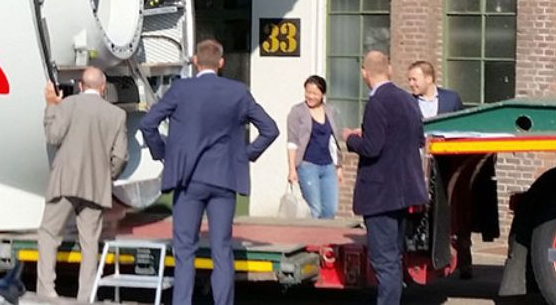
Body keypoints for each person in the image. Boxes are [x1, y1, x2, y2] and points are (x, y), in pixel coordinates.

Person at [140, 39, 279, 305]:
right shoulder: (238, 92)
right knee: (222, 250)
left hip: (188, 179)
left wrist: (163, 154)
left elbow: (148, 124)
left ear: (195, 61)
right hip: (224, 178)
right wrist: (245, 155)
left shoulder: (181, 90)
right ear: (221, 63)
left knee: (184, 250)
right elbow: (270, 129)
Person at [343, 51, 427, 305]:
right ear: (389, 70)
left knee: (385, 261)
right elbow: (417, 139)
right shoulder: (408, 100)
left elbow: (372, 148)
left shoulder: (377, 102)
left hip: (380, 194)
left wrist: (351, 138)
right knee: (395, 257)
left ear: (364, 73)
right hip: (405, 191)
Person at [37, 66, 129, 301]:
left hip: (65, 181)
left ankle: (47, 290)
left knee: (49, 233)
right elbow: (120, 156)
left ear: (80, 85)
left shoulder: (68, 105)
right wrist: (106, 176)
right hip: (95, 186)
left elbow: (53, 136)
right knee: (89, 242)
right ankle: (85, 296)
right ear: (103, 86)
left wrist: (51, 106)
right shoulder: (117, 115)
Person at [407, 60, 471, 278]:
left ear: (429, 78)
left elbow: (463, 130)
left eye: (414, 79)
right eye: (409, 80)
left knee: (455, 212)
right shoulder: (409, 102)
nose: (411, 84)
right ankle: (425, 256)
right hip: (419, 167)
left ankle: (464, 260)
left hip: (449, 166)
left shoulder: (451, 99)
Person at [285, 75, 343, 219]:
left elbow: (334, 140)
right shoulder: (297, 111)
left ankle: (326, 234)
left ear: (323, 94)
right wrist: (292, 169)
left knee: (330, 209)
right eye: (308, 92)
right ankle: (312, 234)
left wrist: (338, 166)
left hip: (328, 166)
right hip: (307, 166)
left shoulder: (330, 111)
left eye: (315, 93)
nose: (310, 96)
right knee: (314, 209)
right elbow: (292, 142)